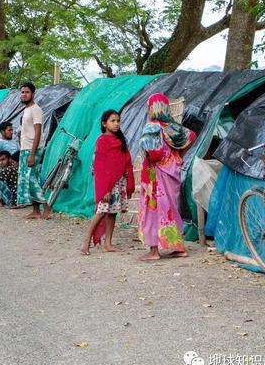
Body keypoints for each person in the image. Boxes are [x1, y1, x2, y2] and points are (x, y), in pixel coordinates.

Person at [138, 93, 196, 261]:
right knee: (170, 209)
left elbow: (153, 154)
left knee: (154, 210)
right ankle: (179, 248)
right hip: (172, 170)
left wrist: (149, 159)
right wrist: (179, 154)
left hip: (155, 173)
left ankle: (154, 251)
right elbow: (191, 136)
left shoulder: (152, 126)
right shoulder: (172, 126)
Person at [81, 110, 135, 255]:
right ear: (104, 124)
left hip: (118, 184)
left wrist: (127, 180)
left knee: (112, 213)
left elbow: (125, 161)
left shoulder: (120, 141)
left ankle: (108, 244)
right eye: (113, 121)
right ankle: (86, 242)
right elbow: (100, 167)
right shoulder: (102, 141)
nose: (116, 124)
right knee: (100, 212)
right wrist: (105, 189)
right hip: (106, 185)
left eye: (118, 121)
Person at [17, 82, 51, 219]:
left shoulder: (36, 110)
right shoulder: (26, 109)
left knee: (30, 180)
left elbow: (38, 132)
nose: (24, 95)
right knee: (33, 178)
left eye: (27, 92)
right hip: (25, 148)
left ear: (33, 94)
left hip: (32, 149)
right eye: (22, 92)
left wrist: (32, 153)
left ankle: (47, 207)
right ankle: (36, 210)